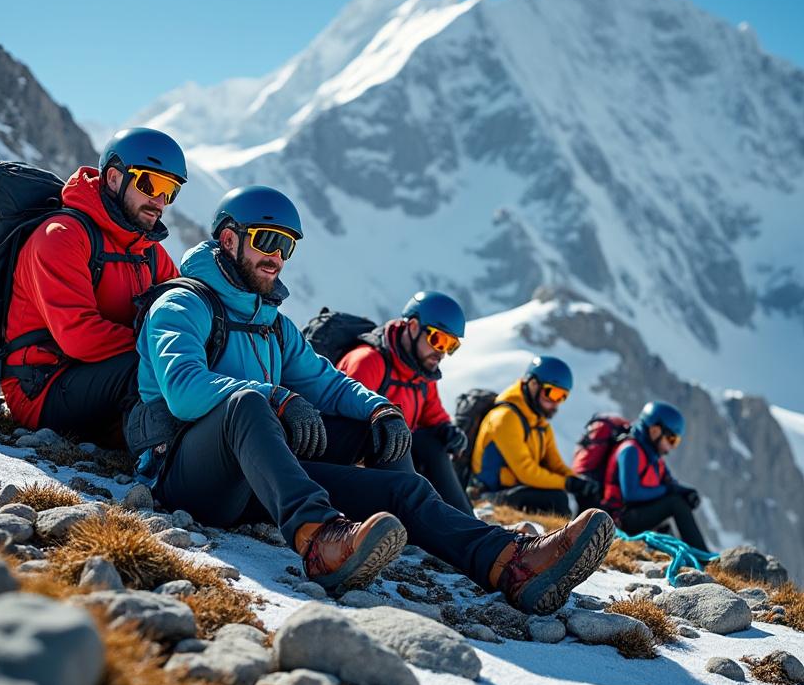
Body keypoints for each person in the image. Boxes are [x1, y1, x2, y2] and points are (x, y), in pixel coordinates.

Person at [129, 185, 613, 610]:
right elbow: (184, 390)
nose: (277, 256)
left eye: (287, 246)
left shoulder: (273, 325)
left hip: (258, 480)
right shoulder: (183, 303)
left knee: (394, 470)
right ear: (229, 239)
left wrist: (380, 409)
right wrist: (274, 397)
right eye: (266, 241)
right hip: (187, 475)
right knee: (248, 405)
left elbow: (326, 381)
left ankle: (509, 563)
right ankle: (320, 539)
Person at [2, 128, 184, 444]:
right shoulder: (62, 236)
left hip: (103, 381)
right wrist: (162, 348)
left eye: (170, 191)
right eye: (150, 184)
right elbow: (79, 337)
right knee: (149, 368)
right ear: (113, 178)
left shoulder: (149, 252)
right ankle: (156, 459)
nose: (159, 201)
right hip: (42, 387)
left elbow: (186, 310)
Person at [336, 291, 473, 514]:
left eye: (451, 346)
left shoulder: (421, 372)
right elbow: (342, 434)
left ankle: (467, 520)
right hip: (360, 470)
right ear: (413, 327)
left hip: (397, 463)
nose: (442, 353)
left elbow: (433, 415)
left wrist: (447, 431)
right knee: (401, 441)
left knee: (433, 443)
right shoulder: (368, 362)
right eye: (438, 340)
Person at [471, 356, 601, 517]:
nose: (556, 403)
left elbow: (555, 465)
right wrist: (567, 483)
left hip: (515, 490)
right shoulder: (505, 418)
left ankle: (594, 528)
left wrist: (579, 482)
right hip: (488, 495)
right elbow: (526, 472)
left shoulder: (540, 424)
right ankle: (569, 533)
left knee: (587, 493)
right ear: (533, 384)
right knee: (556, 499)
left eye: (562, 396)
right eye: (553, 393)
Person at [604, 401, 709, 552]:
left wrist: (686, 492)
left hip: (636, 515)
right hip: (620, 520)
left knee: (675, 507)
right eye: (671, 439)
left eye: (676, 442)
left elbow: (670, 483)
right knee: (675, 504)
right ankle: (704, 557)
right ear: (655, 431)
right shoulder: (630, 451)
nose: (672, 446)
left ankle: (695, 556)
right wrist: (668, 491)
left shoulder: (653, 456)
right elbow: (631, 494)